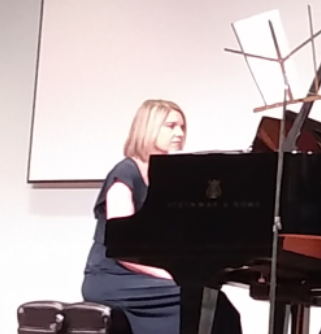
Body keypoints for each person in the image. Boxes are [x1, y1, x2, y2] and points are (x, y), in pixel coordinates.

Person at [81, 99, 242, 334]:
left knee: (219, 306)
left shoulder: (167, 179)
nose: (179, 133)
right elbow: (123, 248)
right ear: (149, 128)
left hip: (144, 277)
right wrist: (172, 274)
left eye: (182, 127)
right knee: (204, 303)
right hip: (114, 278)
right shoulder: (125, 173)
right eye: (171, 126)